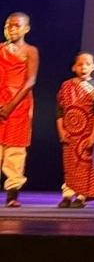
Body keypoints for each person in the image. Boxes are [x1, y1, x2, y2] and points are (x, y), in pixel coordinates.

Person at [56, 53, 94, 208]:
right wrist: (61, 130)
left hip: (85, 133)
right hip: (69, 132)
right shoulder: (66, 86)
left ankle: (81, 195)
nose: (83, 67)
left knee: (84, 163)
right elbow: (59, 111)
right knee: (69, 164)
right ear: (73, 68)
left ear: (93, 67)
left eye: (87, 64)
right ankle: (67, 194)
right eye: (80, 64)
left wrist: (93, 135)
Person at [0, 13, 38, 208]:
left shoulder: (30, 51)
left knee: (15, 150)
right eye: (9, 26)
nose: (12, 29)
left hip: (19, 104)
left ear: (26, 29)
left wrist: (11, 105)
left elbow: (30, 80)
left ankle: (12, 194)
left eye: (17, 25)